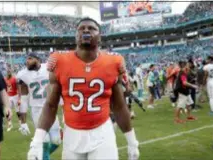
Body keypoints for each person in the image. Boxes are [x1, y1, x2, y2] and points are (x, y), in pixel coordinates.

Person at [27, 17, 139, 160]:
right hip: (72, 132)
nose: (86, 30)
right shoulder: (59, 61)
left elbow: (118, 106)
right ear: (76, 36)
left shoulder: (113, 62)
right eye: (81, 28)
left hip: (102, 131)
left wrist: (132, 141)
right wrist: (37, 141)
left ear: (99, 37)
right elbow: (50, 105)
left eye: (92, 28)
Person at [18, 52, 62, 159]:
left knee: (57, 141)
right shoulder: (23, 75)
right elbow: (23, 99)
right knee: (44, 142)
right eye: (26, 59)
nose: (27, 61)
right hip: (37, 110)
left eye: (30, 58)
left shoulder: (48, 68)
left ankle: (36, 156)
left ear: (37, 59)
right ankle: (40, 156)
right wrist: (23, 122)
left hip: (51, 108)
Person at [4, 67, 21, 131]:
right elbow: (4, 88)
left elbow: (18, 88)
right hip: (8, 96)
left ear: (11, 72)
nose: (8, 73)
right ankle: (10, 124)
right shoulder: (5, 79)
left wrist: (19, 97)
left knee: (18, 111)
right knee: (8, 111)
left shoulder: (14, 79)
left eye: (9, 72)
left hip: (15, 96)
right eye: (8, 72)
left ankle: (21, 124)